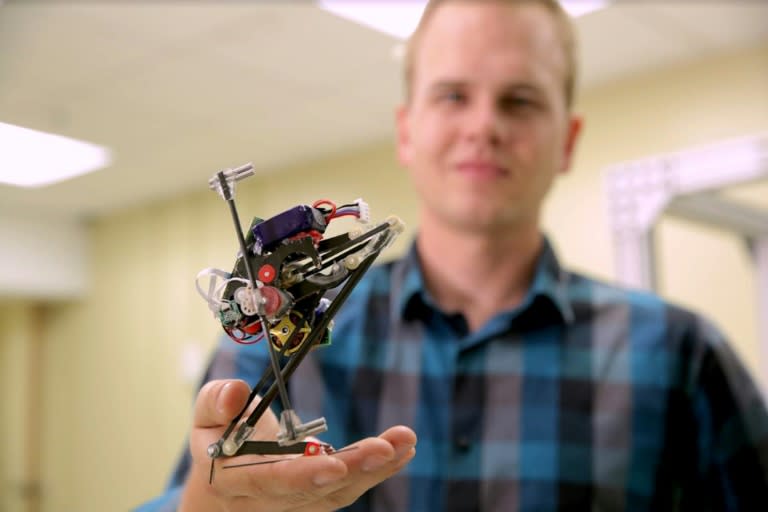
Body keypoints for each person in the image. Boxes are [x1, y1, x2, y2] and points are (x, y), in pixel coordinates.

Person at [137, 0, 768, 510]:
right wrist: (212, 503)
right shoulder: (273, 341)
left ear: (567, 140)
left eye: (519, 100)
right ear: (406, 131)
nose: (483, 125)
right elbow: (187, 490)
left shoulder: (682, 355)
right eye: (452, 96)